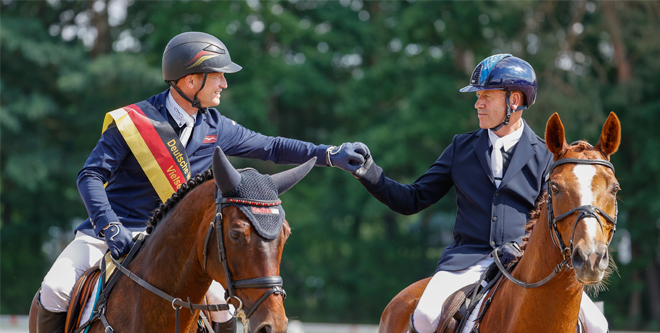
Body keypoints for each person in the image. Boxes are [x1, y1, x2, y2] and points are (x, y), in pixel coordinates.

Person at [36, 31, 368, 333]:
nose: (224, 84)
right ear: (191, 81)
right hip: (112, 233)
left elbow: (272, 147)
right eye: (218, 76)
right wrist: (109, 227)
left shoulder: (217, 126)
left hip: (179, 244)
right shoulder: (132, 122)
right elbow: (90, 176)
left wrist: (329, 154)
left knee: (222, 311)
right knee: (55, 289)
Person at [333, 54, 609, 332]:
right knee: (426, 316)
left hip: (524, 263)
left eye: (486, 96)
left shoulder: (547, 156)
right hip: (465, 262)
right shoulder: (460, 148)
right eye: (478, 96)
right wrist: (368, 172)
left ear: (514, 101)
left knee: (598, 325)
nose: (478, 104)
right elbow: (412, 199)